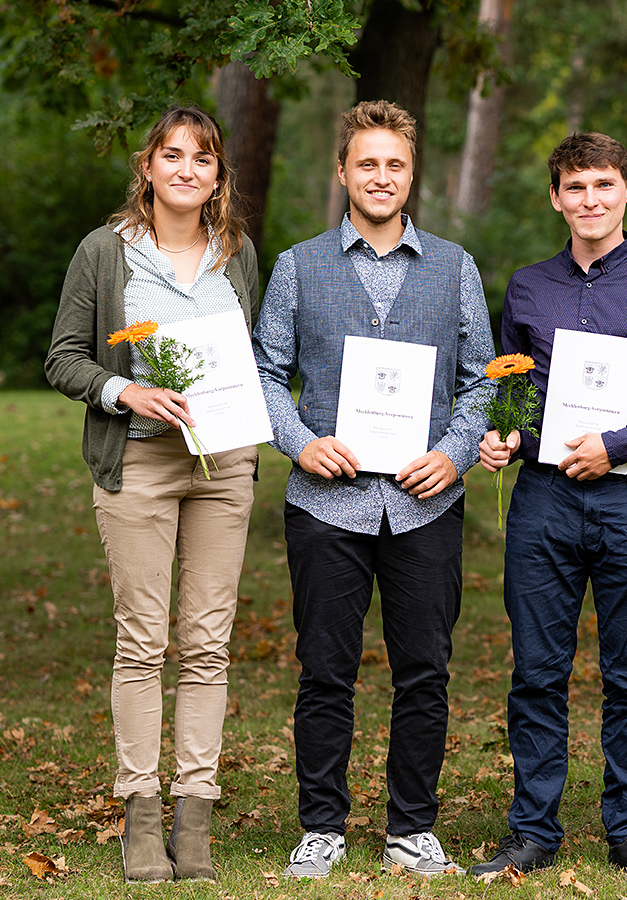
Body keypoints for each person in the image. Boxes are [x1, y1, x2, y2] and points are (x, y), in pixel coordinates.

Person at [252, 100, 493, 879]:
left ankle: (410, 830)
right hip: (328, 504)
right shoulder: (300, 264)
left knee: (424, 669)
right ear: (344, 173)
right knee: (326, 669)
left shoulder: (455, 267)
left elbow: (481, 384)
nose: (381, 176)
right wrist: (301, 441)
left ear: (411, 173)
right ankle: (321, 825)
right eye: (367, 163)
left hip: (427, 504)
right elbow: (265, 373)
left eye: (394, 164)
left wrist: (456, 455)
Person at [470, 133, 627, 882]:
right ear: (555, 198)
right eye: (575, 188)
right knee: (537, 671)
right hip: (543, 500)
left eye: (604, 185)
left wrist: (619, 443)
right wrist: (500, 434)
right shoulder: (527, 286)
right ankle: (532, 832)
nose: (590, 200)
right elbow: (509, 384)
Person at [45, 107, 259, 883]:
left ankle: (193, 817)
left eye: (202, 159)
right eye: (172, 156)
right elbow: (63, 359)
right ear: (148, 167)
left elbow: (249, 359)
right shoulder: (105, 254)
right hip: (137, 466)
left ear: (217, 176)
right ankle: (140, 813)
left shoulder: (236, 254)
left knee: (206, 644)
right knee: (142, 642)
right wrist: (123, 392)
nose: (186, 171)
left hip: (224, 467)